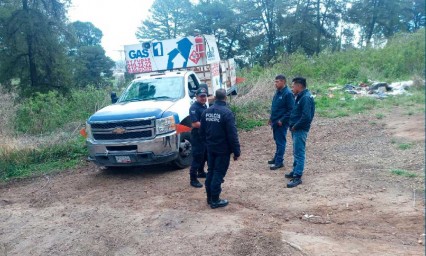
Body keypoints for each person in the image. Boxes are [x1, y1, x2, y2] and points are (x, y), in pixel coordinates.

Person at [199, 89, 240, 209]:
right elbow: (232, 135)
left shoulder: (206, 112)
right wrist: (236, 151)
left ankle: (209, 198)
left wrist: (207, 143)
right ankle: (215, 200)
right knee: (218, 173)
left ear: (215, 97)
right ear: (225, 98)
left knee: (211, 171)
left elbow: (201, 131)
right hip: (222, 149)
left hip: (210, 148)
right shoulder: (227, 113)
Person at [286, 77, 315, 188]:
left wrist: (296, 126)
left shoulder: (305, 98)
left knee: (299, 152)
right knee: (296, 151)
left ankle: (297, 176)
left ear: (299, 86)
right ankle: (295, 171)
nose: (292, 88)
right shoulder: (301, 96)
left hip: (300, 129)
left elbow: (307, 117)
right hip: (296, 128)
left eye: (293, 86)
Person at [268, 75, 295, 170]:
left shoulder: (288, 94)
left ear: (283, 82)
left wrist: (282, 120)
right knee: (277, 140)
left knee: (281, 141)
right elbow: (275, 107)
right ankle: (276, 158)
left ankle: (279, 162)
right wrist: (271, 118)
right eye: (275, 82)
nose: (275, 84)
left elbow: (291, 110)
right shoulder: (278, 92)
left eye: (277, 82)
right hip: (275, 121)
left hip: (281, 122)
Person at [188, 87, 208, 188]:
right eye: (201, 96)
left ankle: (201, 172)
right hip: (197, 136)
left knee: (204, 156)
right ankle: (193, 179)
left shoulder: (204, 106)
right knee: (197, 157)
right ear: (196, 97)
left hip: (204, 136)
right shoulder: (194, 108)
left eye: (204, 96)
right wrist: (209, 125)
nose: (203, 98)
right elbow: (195, 124)